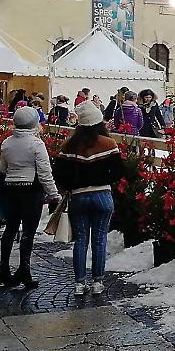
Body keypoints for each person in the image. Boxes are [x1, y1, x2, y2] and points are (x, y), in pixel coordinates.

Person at [54, 101, 123, 296]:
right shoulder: (108, 144)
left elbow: (58, 173)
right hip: (102, 195)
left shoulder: (69, 145)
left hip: (78, 197)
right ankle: (98, 282)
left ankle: (79, 283)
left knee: (81, 240)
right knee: (100, 239)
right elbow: (119, 171)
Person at [0, 106, 62, 289]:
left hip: (10, 190)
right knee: (28, 233)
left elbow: (2, 169)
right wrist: (54, 194)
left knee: (10, 229)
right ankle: (25, 270)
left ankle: (4, 268)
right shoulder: (36, 144)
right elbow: (45, 173)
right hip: (31, 191)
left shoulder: (7, 143)